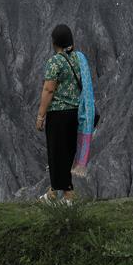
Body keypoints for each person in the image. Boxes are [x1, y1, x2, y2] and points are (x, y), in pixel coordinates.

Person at [36, 24, 95, 205]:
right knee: (66, 155)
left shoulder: (55, 62)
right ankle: (56, 193)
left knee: (56, 155)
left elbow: (48, 90)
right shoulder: (79, 60)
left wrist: (40, 115)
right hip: (74, 115)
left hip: (58, 116)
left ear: (55, 42)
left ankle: (66, 197)